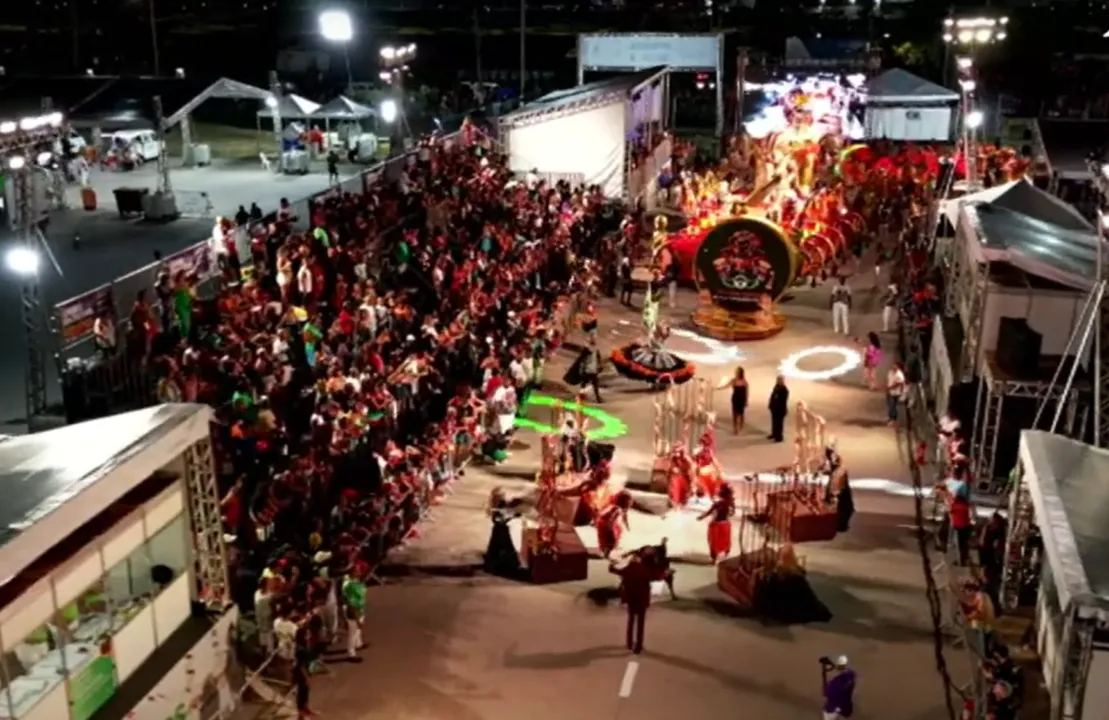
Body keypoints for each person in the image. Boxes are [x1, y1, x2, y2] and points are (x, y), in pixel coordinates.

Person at [611, 554, 652, 654]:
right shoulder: (644, 570)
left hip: (631, 600)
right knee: (640, 625)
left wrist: (612, 564)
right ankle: (638, 646)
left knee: (631, 621)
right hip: (642, 600)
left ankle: (629, 643)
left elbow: (613, 570)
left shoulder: (627, 570)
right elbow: (654, 578)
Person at [698, 484, 735, 563]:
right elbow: (732, 513)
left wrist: (701, 517)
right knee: (725, 541)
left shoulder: (718, 503)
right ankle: (725, 554)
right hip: (725, 524)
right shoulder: (730, 503)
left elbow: (709, 512)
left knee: (714, 542)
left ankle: (714, 558)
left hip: (716, 524)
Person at [768, 374, 790, 443]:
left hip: (780, 409)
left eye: (780, 380)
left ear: (783, 381)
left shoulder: (784, 389)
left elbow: (783, 400)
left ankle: (779, 437)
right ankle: (774, 434)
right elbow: (773, 396)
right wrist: (770, 404)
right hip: (774, 407)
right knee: (774, 422)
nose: (778, 381)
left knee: (779, 423)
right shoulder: (776, 387)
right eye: (777, 380)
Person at [729, 366, 748, 434]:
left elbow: (746, 392)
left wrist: (746, 401)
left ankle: (741, 427)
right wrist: (718, 388)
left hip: (742, 399)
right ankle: (735, 428)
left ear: (741, 373)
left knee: (741, 414)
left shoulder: (744, 381)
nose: (736, 372)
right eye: (736, 371)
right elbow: (726, 385)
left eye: (737, 371)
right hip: (735, 398)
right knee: (734, 414)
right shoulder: (733, 380)